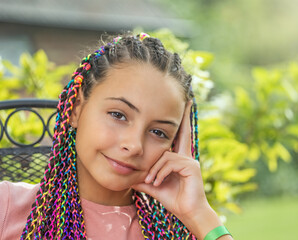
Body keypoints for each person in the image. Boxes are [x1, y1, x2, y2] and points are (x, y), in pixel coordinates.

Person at [0, 32, 233, 240]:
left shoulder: (175, 232)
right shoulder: (7, 207)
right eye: (118, 115)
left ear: (174, 145)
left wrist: (200, 215)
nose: (133, 145)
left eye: (158, 132)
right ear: (76, 108)